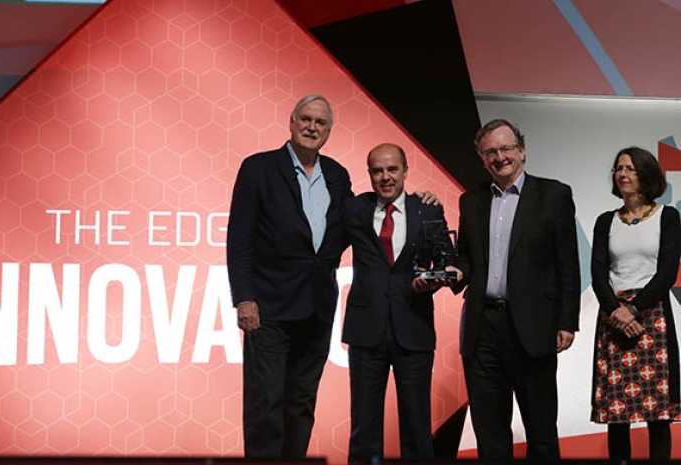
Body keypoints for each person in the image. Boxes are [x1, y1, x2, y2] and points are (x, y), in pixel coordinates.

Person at [226, 94, 352, 459]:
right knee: (265, 403)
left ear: (329, 131)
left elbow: (355, 223)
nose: (312, 127)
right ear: (292, 122)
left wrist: (410, 203)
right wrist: (244, 298)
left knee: (301, 402)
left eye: (321, 122)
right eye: (306, 119)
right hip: (269, 309)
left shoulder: (337, 175)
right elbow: (239, 240)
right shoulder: (259, 169)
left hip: (317, 308)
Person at [452, 119, 581, 460]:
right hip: (482, 328)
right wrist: (455, 270)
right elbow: (467, 256)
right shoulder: (471, 200)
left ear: (522, 151)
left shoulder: (554, 195)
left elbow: (567, 263)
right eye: (490, 152)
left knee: (541, 431)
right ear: (482, 159)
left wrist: (567, 321)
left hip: (533, 327)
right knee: (490, 432)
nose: (500, 157)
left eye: (506, 148)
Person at [341, 143, 460, 462]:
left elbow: (448, 263)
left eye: (392, 169)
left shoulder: (428, 209)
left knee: (417, 426)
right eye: (378, 171)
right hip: (366, 331)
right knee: (363, 427)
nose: (386, 177)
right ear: (369, 174)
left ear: (406, 170)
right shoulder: (354, 209)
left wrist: (432, 282)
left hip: (414, 328)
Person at [590, 146, 681, 460]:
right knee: (617, 413)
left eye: (630, 168)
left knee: (658, 413)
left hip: (651, 314)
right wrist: (616, 310)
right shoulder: (606, 221)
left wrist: (633, 309)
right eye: (619, 168)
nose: (622, 174)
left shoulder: (667, 217)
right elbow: (598, 273)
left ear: (646, 174)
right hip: (613, 315)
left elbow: (667, 272)